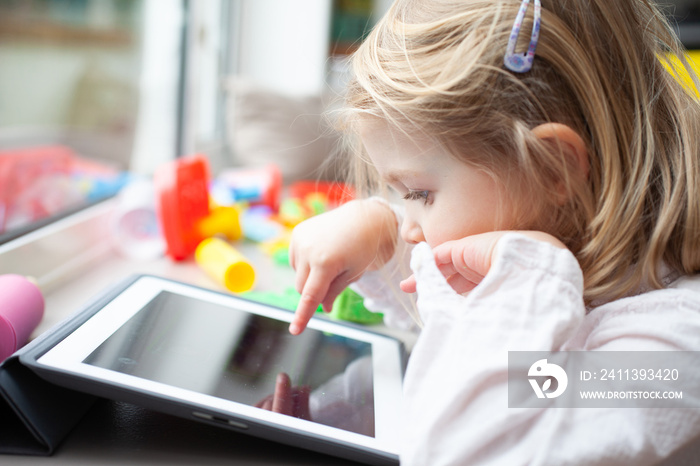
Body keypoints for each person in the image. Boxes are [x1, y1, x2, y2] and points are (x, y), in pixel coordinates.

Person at [287, 0, 700, 464]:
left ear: (552, 169)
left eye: (420, 193)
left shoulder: (670, 357)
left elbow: (462, 449)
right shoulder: (577, 242)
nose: (411, 228)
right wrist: (379, 230)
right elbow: (496, 344)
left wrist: (525, 279)